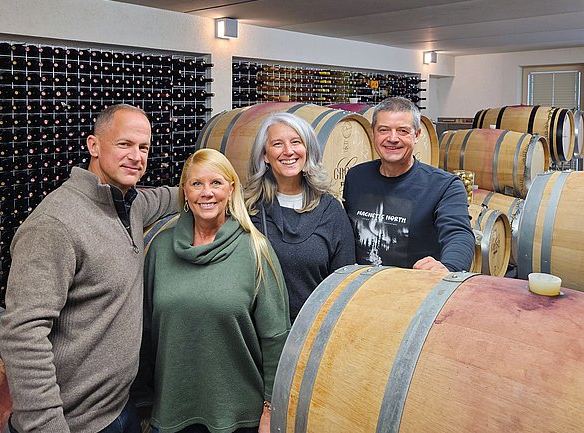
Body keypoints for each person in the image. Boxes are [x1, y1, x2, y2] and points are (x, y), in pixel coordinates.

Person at [0, 104, 179, 433]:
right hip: (75, 423)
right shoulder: (55, 223)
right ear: (93, 145)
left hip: (121, 408)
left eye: (143, 147)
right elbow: (21, 334)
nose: (136, 156)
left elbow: (170, 197)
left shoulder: (129, 204)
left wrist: (215, 188)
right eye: (124, 144)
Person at [133, 148, 290, 433]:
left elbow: (275, 338)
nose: (207, 193)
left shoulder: (255, 249)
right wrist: (142, 401)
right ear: (185, 191)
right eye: (197, 184)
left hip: (240, 416)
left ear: (231, 189)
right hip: (170, 412)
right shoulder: (160, 248)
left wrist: (271, 409)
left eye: (216, 183)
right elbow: (144, 332)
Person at [244, 112, 355, 323]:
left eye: (296, 142)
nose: (288, 151)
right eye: (277, 144)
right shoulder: (249, 208)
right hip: (260, 332)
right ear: (265, 155)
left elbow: (343, 284)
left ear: (308, 150)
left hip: (313, 330)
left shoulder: (331, 210)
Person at [343, 97, 474, 272]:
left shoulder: (444, 186)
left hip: (414, 286)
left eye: (403, 131)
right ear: (373, 133)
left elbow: (459, 235)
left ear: (417, 135)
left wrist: (449, 267)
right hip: (360, 284)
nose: (392, 138)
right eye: (384, 130)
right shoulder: (356, 177)